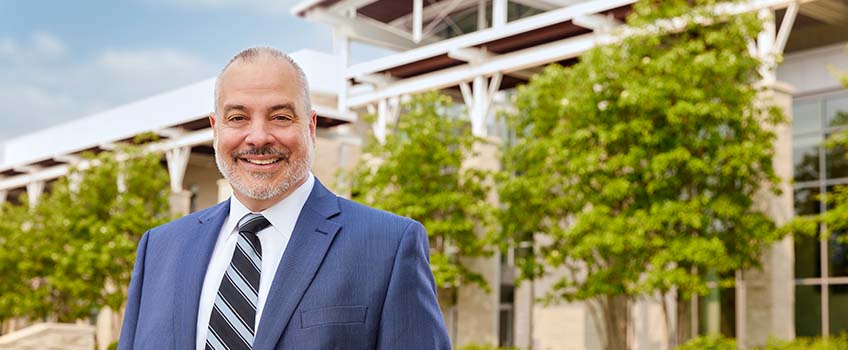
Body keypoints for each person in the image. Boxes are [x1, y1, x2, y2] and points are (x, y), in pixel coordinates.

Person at [118, 47, 451, 350]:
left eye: (280, 117)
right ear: (215, 128)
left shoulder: (388, 247)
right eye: (238, 118)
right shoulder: (158, 249)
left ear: (310, 127)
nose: (259, 136)